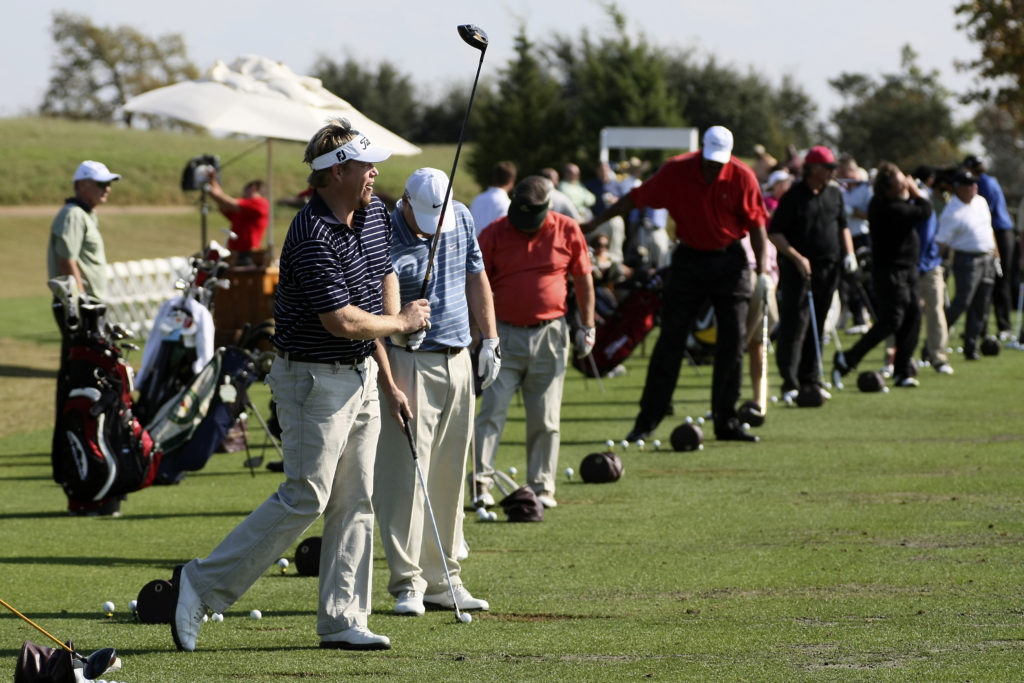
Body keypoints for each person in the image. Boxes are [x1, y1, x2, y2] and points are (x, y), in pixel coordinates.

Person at [170, 118, 431, 654]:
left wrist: (388, 365)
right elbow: (340, 320)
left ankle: (342, 619)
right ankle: (200, 584)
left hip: (358, 372)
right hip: (312, 379)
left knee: (357, 498)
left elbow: (382, 275)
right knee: (306, 494)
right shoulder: (311, 234)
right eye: (364, 164)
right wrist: (400, 324)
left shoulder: (374, 211)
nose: (374, 172)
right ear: (336, 172)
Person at [582, 125, 771, 443]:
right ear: (701, 152)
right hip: (689, 259)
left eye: (719, 163)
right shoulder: (676, 170)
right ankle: (647, 421)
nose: (713, 168)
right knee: (670, 339)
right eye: (709, 161)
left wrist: (763, 271)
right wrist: (595, 222)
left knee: (733, 341)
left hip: (731, 262)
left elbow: (757, 226)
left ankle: (726, 422)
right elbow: (635, 199)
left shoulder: (742, 176)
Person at [373, 167, 499, 617]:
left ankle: (445, 578)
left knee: (448, 474)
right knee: (406, 476)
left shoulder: (460, 216)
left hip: (458, 359)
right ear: (404, 202)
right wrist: (389, 375)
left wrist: (492, 338)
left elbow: (476, 277)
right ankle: (407, 582)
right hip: (408, 362)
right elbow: (376, 317)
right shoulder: (380, 230)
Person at [474, 176, 596, 509]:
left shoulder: (568, 229)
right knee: (491, 412)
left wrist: (587, 326)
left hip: (551, 335)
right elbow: (476, 282)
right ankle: (480, 484)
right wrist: (478, 335)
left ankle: (542, 486)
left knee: (545, 418)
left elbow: (583, 280)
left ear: (548, 206)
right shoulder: (495, 232)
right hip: (503, 335)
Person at [46, 160, 122, 516]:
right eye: (100, 183)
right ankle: (72, 462)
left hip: (87, 310)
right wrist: (81, 308)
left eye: (109, 183)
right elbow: (67, 262)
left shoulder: (85, 213)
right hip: (80, 311)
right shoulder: (73, 214)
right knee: (79, 384)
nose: (107, 188)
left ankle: (79, 458)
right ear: (81, 185)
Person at [769, 145, 857, 404]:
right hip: (799, 269)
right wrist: (797, 257)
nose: (833, 172)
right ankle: (790, 382)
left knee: (818, 324)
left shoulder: (834, 194)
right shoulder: (793, 196)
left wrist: (848, 253)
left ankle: (810, 379)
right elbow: (775, 233)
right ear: (813, 169)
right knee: (795, 324)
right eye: (828, 168)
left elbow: (842, 226)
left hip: (829, 267)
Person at [832, 162, 932, 388]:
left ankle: (902, 371)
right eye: (899, 181)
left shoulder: (888, 202)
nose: (905, 182)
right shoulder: (887, 207)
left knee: (913, 317)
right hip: (890, 272)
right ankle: (848, 358)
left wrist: (907, 192)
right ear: (889, 188)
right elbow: (924, 211)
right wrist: (915, 192)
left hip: (907, 269)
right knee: (892, 320)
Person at [935, 170, 998, 360]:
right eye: (969, 185)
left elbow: (989, 230)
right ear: (958, 188)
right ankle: (935, 341)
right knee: (961, 303)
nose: (974, 188)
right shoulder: (951, 211)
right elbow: (942, 242)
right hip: (966, 260)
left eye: (974, 184)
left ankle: (971, 348)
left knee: (981, 305)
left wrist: (997, 255)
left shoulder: (981, 202)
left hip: (987, 257)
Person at [963, 155, 1015, 340]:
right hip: (994, 233)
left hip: (999, 233)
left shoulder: (984, 183)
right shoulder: (985, 181)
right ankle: (981, 328)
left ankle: (1004, 327)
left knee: (999, 281)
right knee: (988, 282)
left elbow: (984, 213)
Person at [913, 168, 953, 375]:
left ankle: (938, 357)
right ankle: (893, 360)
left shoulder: (928, 204)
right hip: (908, 267)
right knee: (901, 315)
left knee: (936, 312)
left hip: (930, 265)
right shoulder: (903, 206)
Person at [836, 156, 873, 334]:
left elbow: (871, 215)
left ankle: (867, 316)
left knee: (864, 279)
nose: (840, 175)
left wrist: (854, 212)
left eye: (843, 172)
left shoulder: (866, 189)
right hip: (845, 239)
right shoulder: (841, 192)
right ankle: (857, 317)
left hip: (862, 237)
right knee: (848, 280)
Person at [207, 172, 270, 266]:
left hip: (248, 256)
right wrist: (213, 181)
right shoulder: (243, 208)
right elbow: (224, 204)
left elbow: (229, 203)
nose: (243, 195)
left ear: (253, 188)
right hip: (234, 254)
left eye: (244, 191)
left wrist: (209, 190)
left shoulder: (260, 203)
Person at [469, 160, 516, 236]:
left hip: (473, 245)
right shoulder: (507, 204)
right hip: (490, 246)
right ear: (511, 181)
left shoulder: (477, 199)